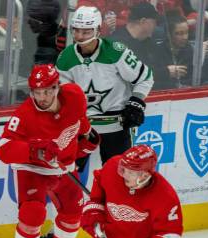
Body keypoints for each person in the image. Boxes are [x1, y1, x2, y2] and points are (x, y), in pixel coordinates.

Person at [0, 64, 100, 238]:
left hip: (64, 168)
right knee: (32, 214)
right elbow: (3, 149)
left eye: (47, 91)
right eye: (37, 92)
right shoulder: (24, 116)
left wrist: (88, 138)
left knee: (73, 211)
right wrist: (34, 150)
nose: (42, 97)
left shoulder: (74, 96)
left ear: (57, 87)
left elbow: (78, 121)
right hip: (32, 169)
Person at [56, 6, 153, 167]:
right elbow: (60, 95)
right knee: (66, 177)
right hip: (80, 130)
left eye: (86, 31)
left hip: (116, 128)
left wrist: (136, 101)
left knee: (117, 178)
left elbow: (145, 77)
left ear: (98, 30)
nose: (80, 36)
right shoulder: (65, 57)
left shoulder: (116, 52)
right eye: (76, 30)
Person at [153, 11, 208, 89]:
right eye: (179, 33)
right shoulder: (157, 52)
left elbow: (206, 78)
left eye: (186, 32)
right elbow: (155, 82)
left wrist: (204, 56)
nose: (185, 37)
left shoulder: (192, 49)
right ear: (169, 35)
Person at [109, 2, 161, 68]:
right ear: (143, 21)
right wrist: (165, 72)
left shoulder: (148, 43)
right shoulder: (117, 43)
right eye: (155, 22)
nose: (156, 26)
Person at [27, 0, 61, 64]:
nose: (28, 22)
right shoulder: (45, 36)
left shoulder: (48, 48)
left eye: (32, 18)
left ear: (42, 22)